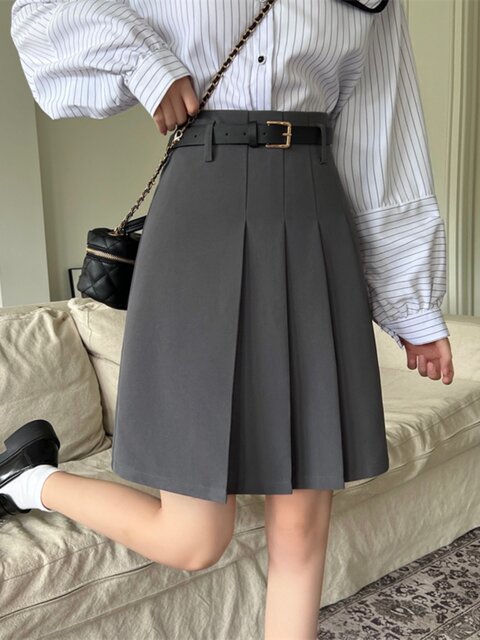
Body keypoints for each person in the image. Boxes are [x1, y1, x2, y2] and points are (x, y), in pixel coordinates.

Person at [3, 1, 454, 638]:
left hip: (314, 212)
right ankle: (29, 481)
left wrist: (413, 304)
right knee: (193, 540)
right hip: (202, 212)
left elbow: (385, 129)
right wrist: (146, 65)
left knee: (302, 529)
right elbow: (42, 14)